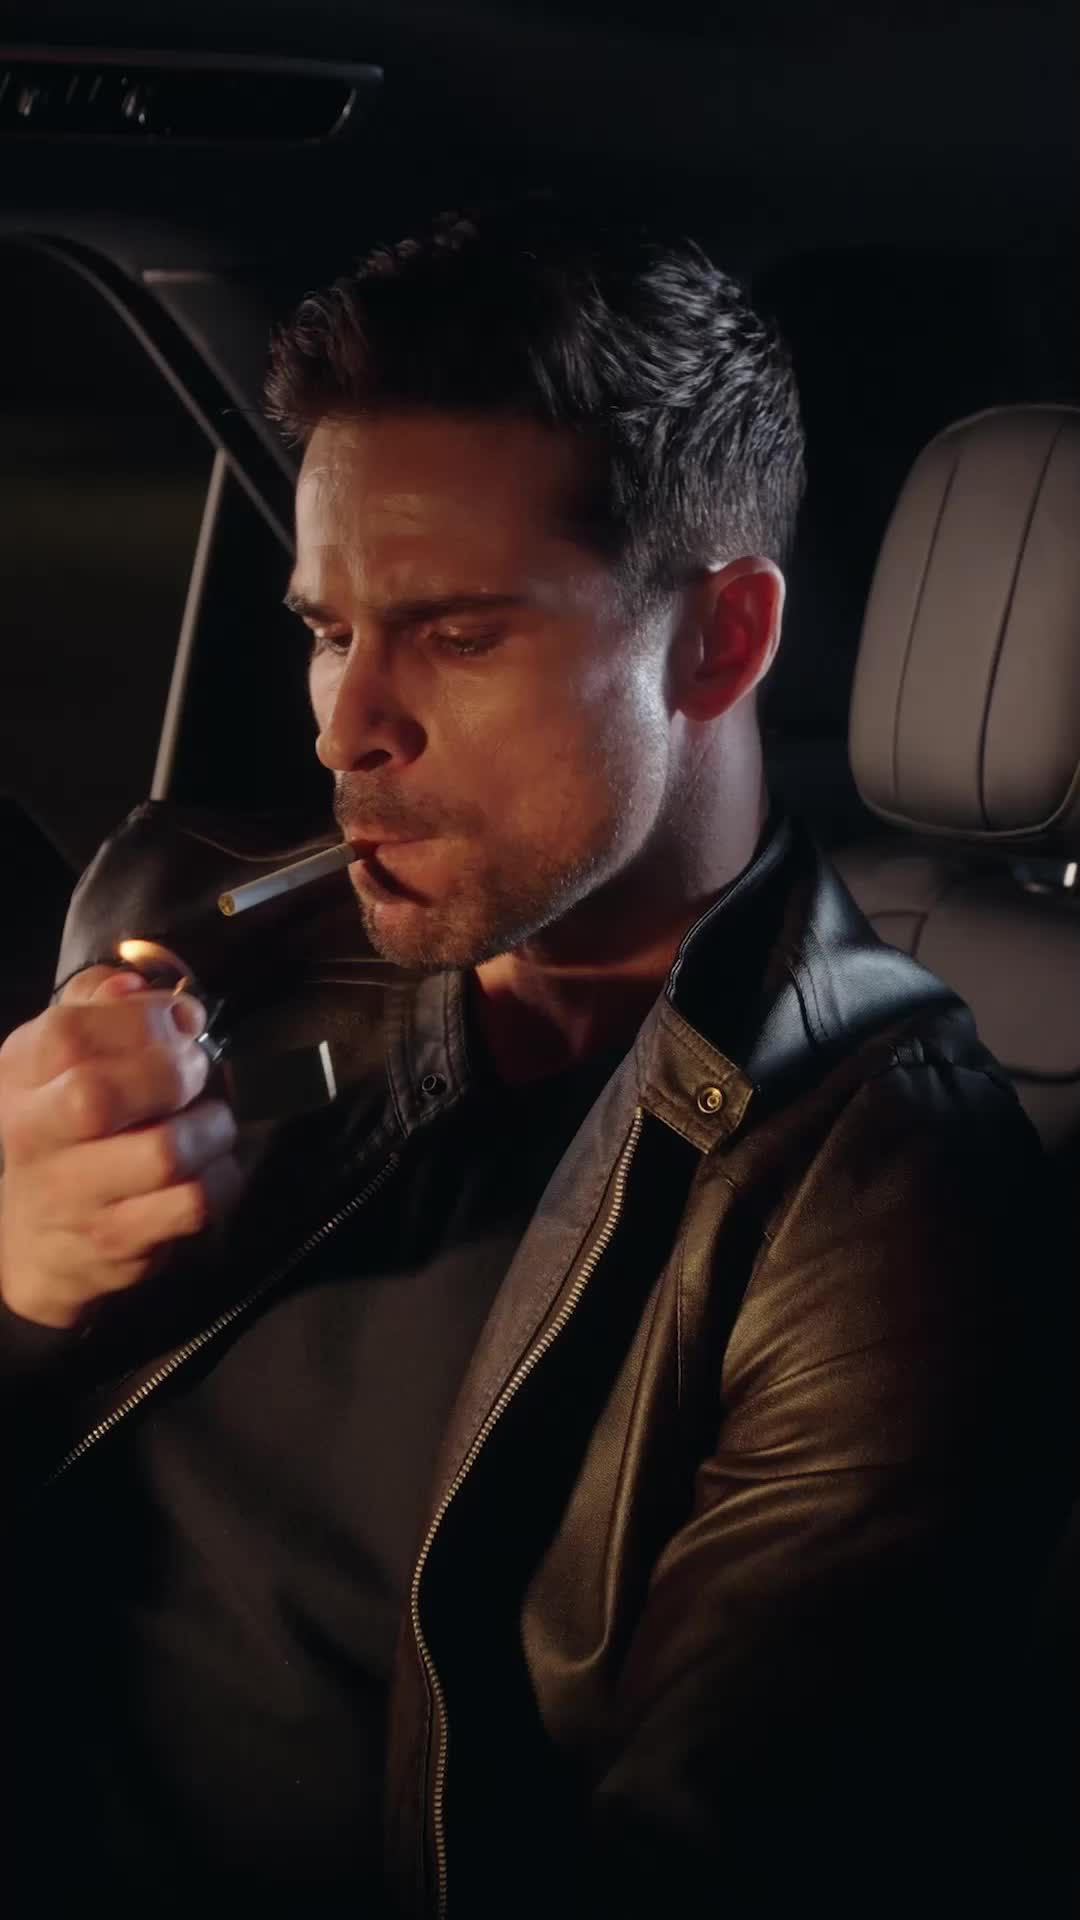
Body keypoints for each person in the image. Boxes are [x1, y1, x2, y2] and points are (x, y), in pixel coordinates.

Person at [0, 206, 1071, 1920]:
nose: (347, 726)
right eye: (329, 629)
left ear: (719, 642)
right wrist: (14, 1281)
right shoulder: (185, 918)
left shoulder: (883, 1196)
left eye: (458, 635)